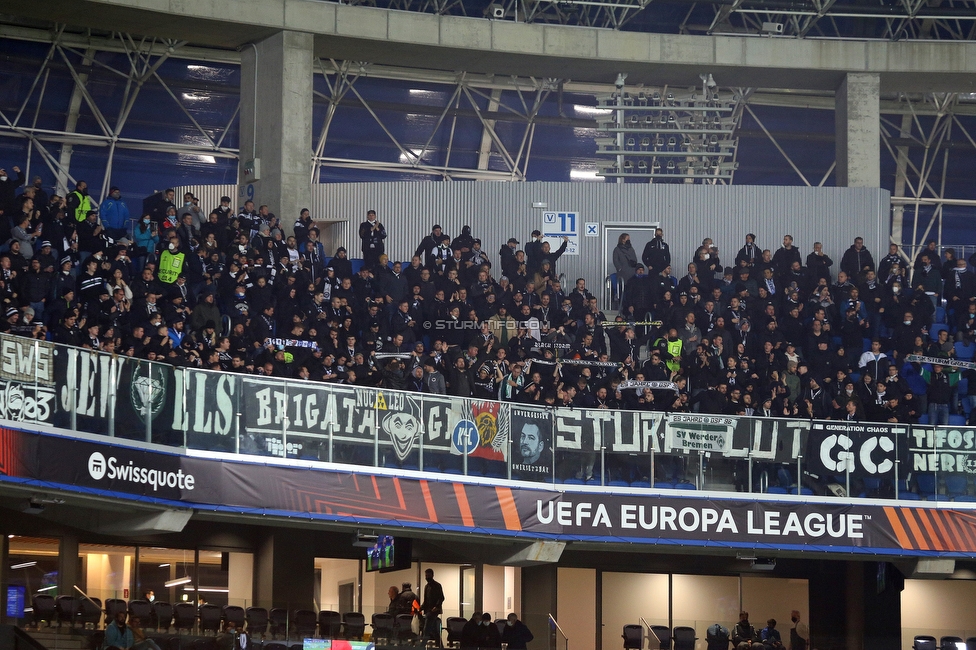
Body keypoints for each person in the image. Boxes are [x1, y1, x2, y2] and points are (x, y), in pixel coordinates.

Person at [421, 568, 445, 646]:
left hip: (433, 611)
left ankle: (422, 646)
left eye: (428, 575)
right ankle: (440, 646)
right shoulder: (427, 586)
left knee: (426, 629)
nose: (427, 577)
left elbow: (441, 597)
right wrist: (420, 608)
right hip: (428, 610)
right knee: (434, 630)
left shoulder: (437, 585)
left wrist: (436, 606)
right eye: (426, 575)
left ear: (432, 575)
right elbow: (426, 600)